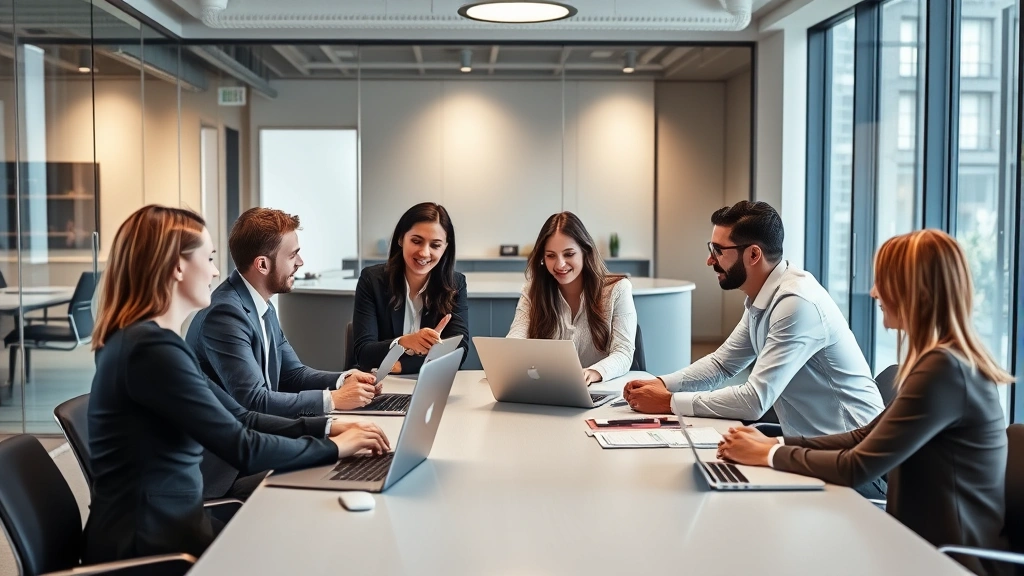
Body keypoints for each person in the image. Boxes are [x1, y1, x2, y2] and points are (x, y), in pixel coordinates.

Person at [84, 205, 389, 563]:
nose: (216, 271)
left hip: (174, 527)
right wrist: (337, 448)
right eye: (209, 258)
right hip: (153, 550)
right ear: (177, 267)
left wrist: (328, 427)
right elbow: (242, 447)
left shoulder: (150, 344)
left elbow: (241, 417)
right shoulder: (149, 351)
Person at [718, 229, 1012, 576]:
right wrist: (775, 442)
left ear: (916, 290)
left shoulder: (946, 370)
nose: (873, 292)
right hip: (910, 543)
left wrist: (767, 455)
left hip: (945, 560)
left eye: (883, 281)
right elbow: (864, 436)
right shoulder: (940, 362)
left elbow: (859, 466)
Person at [623, 201, 883, 435]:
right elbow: (722, 365)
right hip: (808, 446)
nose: (709, 260)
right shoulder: (764, 296)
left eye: (718, 250)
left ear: (754, 255)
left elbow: (754, 400)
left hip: (852, 458)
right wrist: (660, 383)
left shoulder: (796, 304)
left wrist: (668, 402)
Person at [187, 207, 378, 419]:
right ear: (262, 264)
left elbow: (293, 374)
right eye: (292, 255)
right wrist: (333, 399)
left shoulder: (262, 305)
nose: (300, 262)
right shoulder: (225, 314)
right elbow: (254, 400)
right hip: (228, 445)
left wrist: (345, 380)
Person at [507, 212, 636, 384]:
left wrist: (595, 372)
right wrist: (507, 360)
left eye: (569, 254)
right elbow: (516, 339)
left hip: (598, 390)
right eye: (551, 255)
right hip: (548, 389)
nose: (560, 264)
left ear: (585, 252)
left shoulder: (617, 290)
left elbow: (624, 352)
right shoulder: (532, 290)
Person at [352, 202, 469, 374]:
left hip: (432, 384)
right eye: (416, 241)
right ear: (401, 239)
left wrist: (403, 366)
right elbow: (364, 353)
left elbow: (459, 351)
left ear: (445, 247)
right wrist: (404, 342)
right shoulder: (372, 280)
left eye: (435, 245)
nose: (424, 253)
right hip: (380, 384)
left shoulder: (455, 284)